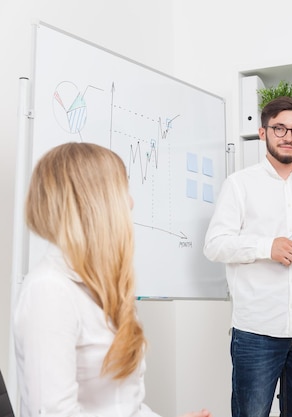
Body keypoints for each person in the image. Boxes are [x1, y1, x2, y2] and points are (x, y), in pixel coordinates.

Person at [13, 142, 211, 417]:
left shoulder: (107, 287)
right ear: (93, 200)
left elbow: (127, 405)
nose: (130, 202)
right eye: (123, 189)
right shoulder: (49, 290)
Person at [203, 96, 292, 417]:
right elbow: (215, 244)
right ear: (262, 132)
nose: (288, 136)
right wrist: (268, 247)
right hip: (257, 330)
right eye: (279, 128)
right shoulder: (240, 185)